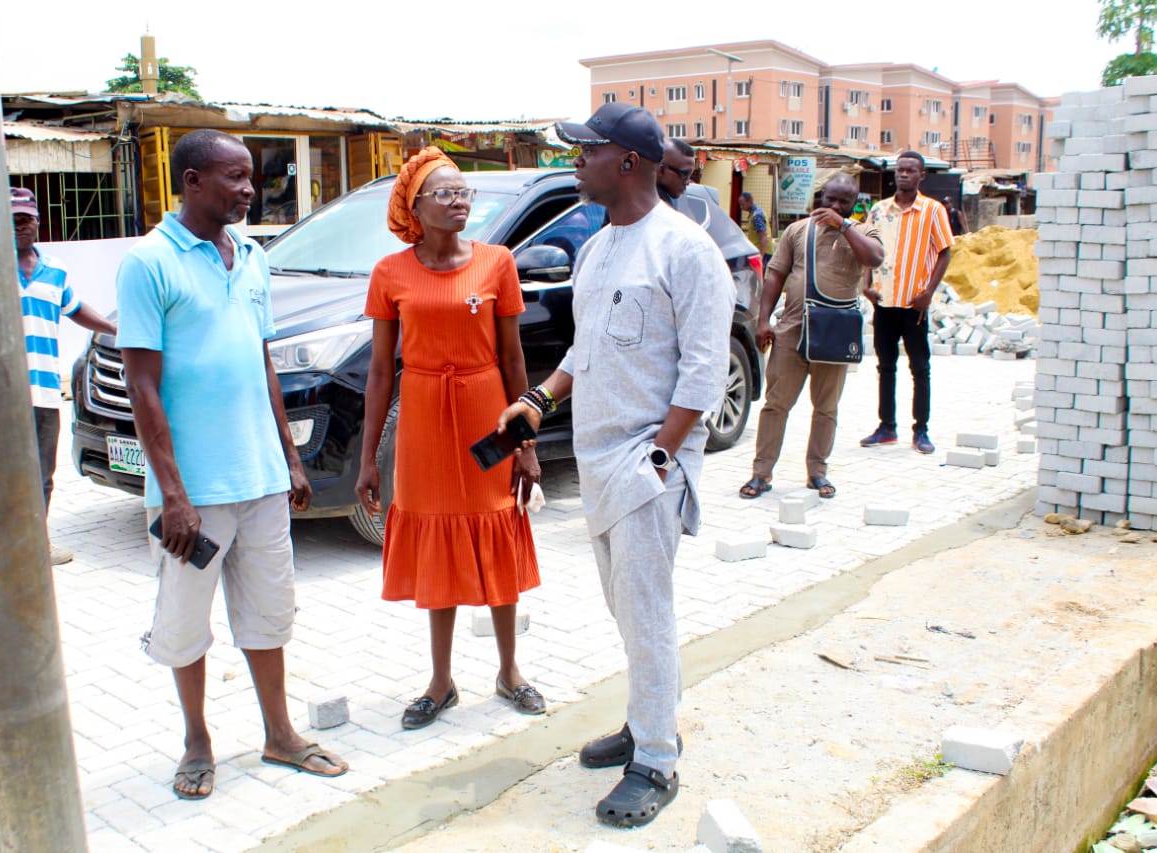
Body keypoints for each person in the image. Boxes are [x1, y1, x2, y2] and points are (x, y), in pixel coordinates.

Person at [500, 103, 733, 828]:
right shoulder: (601, 246)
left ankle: (656, 759)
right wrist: (539, 397)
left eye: (584, 151)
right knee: (627, 613)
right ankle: (645, 717)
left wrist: (662, 459)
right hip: (602, 461)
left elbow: (702, 372)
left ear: (627, 161)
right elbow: (585, 350)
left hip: (645, 463)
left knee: (648, 612)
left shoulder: (686, 251)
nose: (574, 161)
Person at [116, 129, 347, 801]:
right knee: (186, 623)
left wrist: (290, 459)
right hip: (195, 495)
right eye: (235, 177)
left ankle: (279, 734)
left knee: (269, 614)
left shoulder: (250, 257)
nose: (249, 188)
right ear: (191, 181)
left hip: (263, 483)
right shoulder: (149, 262)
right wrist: (173, 494)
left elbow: (261, 362)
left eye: (250, 176)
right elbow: (142, 386)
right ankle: (196, 740)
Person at [357, 147, 544, 730]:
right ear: (414, 206)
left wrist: (527, 445)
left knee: (496, 530)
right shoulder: (391, 272)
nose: (459, 199)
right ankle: (441, 682)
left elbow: (513, 359)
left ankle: (509, 670)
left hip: (487, 416)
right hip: (422, 425)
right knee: (436, 538)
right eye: (445, 192)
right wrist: (367, 461)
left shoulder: (497, 262)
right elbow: (381, 372)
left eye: (464, 191)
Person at [738, 175, 883, 500]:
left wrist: (844, 225)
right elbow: (775, 275)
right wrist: (763, 320)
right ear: (820, 198)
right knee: (776, 404)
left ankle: (818, 472)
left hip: (835, 332)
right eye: (829, 199)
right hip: (792, 328)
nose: (834, 207)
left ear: (853, 203)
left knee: (826, 408)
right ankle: (761, 474)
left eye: (843, 202)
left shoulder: (862, 231)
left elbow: (874, 258)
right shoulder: (797, 231)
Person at [11, 188, 116, 566]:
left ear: (39, 222)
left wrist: (114, 327)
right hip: (4, 394)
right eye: (14, 219)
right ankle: (2, 546)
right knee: (5, 473)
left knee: (42, 474)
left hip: (43, 390)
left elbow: (74, 308)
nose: (22, 226)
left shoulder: (54, 270)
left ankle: (36, 544)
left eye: (28, 219)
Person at [860, 151, 954, 454]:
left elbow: (945, 252)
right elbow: (868, 246)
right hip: (884, 302)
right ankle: (887, 427)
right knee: (885, 367)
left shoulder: (932, 210)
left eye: (911, 170)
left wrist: (929, 292)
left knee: (920, 368)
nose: (904, 174)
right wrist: (865, 284)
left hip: (915, 305)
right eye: (900, 170)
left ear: (921, 175)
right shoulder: (878, 210)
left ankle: (921, 430)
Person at [656, 138, 696, 206]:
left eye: (690, 175)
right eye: (685, 174)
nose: (688, 182)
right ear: (661, 170)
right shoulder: (652, 205)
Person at [739, 191, 771, 266]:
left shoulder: (756, 216)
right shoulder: (754, 213)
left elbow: (763, 236)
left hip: (762, 251)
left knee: (759, 276)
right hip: (759, 250)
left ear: (749, 201)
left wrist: (761, 256)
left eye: (742, 204)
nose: (741, 207)